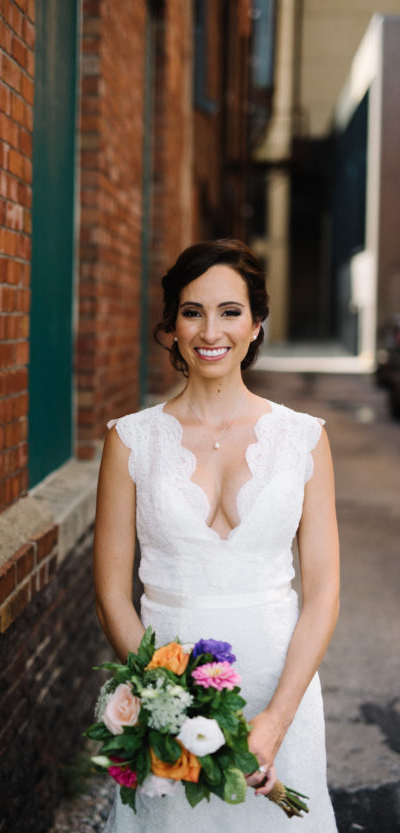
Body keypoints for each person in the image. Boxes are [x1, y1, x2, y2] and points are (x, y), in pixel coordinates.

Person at [93, 239, 340, 832]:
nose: (212, 330)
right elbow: (110, 595)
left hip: (279, 683)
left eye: (230, 311)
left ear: (257, 324)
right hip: (169, 691)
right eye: (192, 311)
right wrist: (168, 703)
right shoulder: (131, 440)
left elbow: (325, 591)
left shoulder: (304, 438)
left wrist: (275, 720)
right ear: (171, 326)